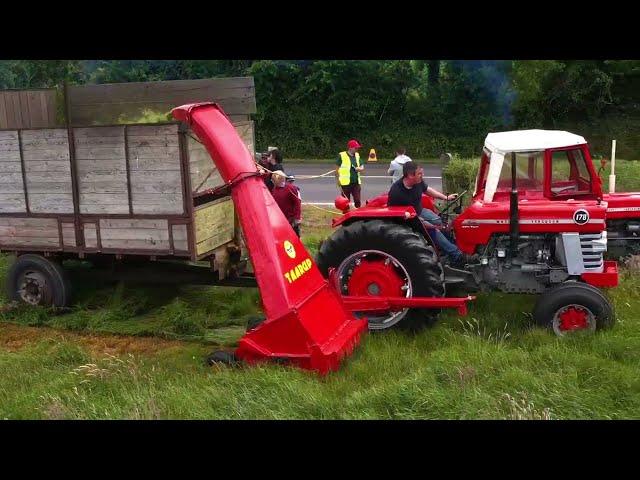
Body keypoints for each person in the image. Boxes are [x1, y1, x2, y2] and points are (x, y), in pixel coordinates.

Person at [388, 161, 476, 266]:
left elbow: (427, 190)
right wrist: (432, 225)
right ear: (410, 175)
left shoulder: (418, 182)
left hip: (420, 211)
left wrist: (445, 197)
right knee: (435, 230)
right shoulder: (396, 192)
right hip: (408, 220)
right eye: (419, 174)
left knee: (445, 223)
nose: (422, 175)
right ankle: (457, 256)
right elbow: (396, 214)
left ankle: (449, 248)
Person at [270, 170, 302, 237]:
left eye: (273, 180)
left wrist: (297, 218)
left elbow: (297, 203)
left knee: (293, 236)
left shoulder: (290, 188)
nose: (272, 181)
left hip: (290, 219)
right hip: (280, 217)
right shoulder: (275, 189)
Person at [335, 139, 364, 208]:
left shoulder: (357, 155)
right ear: (350, 148)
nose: (357, 149)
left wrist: (360, 169)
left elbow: (362, 165)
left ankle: (358, 214)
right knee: (345, 201)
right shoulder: (342, 156)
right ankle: (346, 214)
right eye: (355, 148)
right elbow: (336, 169)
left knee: (357, 200)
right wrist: (338, 180)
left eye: (357, 148)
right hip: (345, 184)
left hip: (356, 182)